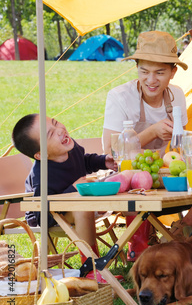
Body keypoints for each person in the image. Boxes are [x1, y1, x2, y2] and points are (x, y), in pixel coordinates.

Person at [102, 30, 192, 249]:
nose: (151, 80)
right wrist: (152, 132)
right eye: (144, 71)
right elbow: (111, 153)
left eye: (160, 72)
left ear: (173, 72)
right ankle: (139, 248)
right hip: (129, 180)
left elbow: (180, 147)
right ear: (137, 69)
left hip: (162, 176)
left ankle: (178, 234)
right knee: (138, 184)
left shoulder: (176, 95)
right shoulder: (120, 97)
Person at [12, 114, 119, 282]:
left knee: (120, 188)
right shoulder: (43, 176)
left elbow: (83, 161)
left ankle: (139, 248)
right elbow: (42, 215)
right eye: (50, 134)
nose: (60, 130)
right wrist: (73, 188)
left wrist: (103, 161)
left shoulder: (71, 147)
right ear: (40, 154)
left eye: (56, 123)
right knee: (82, 208)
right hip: (52, 215)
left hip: (78, 203)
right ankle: (90, 267)